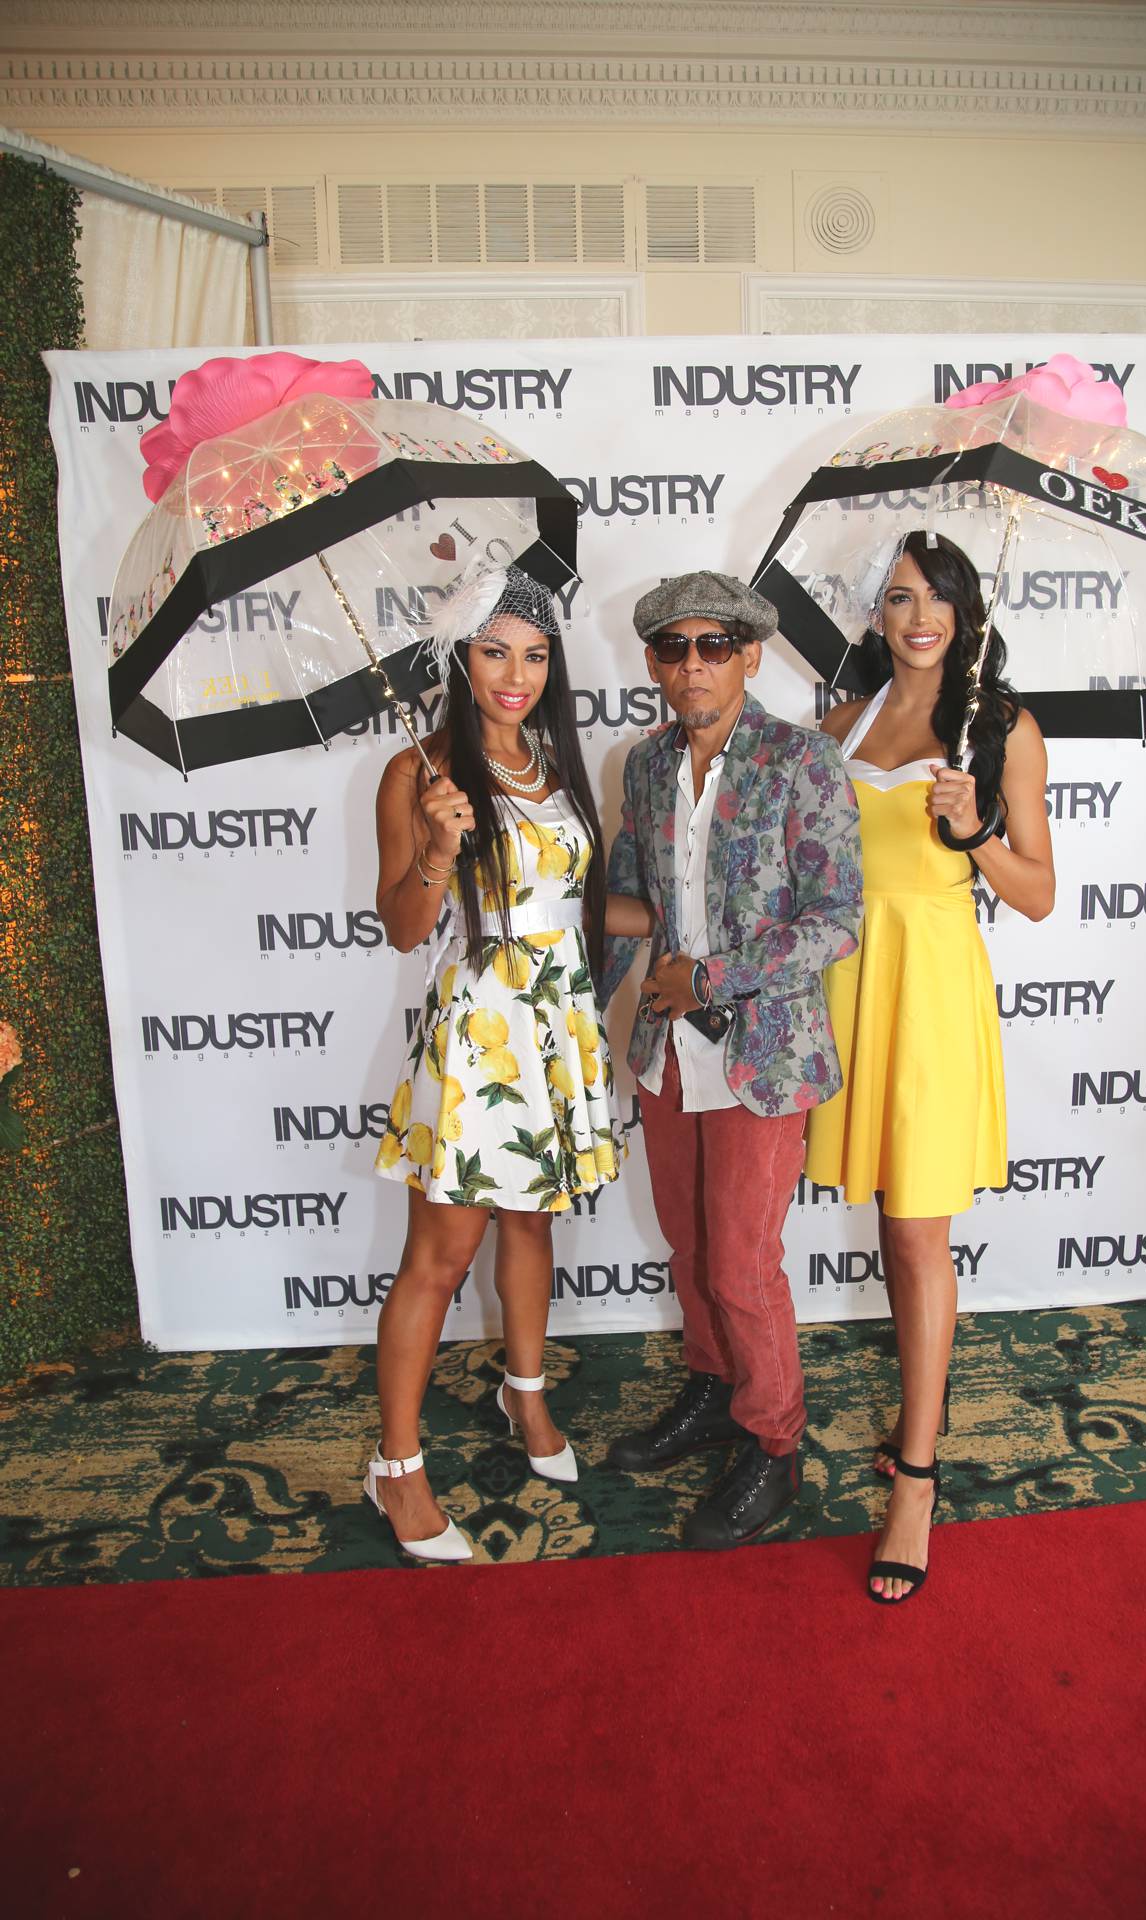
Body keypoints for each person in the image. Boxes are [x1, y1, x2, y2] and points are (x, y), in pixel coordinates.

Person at [367, 563, 643, 1562]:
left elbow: (575, 908)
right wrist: (438, 851)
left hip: (557, 1028)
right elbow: (405, 927)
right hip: (481, 1033)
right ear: (461, 659)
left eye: (533, 656)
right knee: (439, 1259)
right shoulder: (419, 773)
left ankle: (523, 1395)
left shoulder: (556, 763)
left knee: (531, 1222)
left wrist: (676, 924)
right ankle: (396, 1467)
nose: (516, 676)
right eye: (494, 653)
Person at [806, 530, 1055, 1604]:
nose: (919, 617)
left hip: (933, 991)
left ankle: (915, 1479)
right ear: (876, 613)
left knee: (916, 1233)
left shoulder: (1002, 728)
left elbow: (1037, 893)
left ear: (965, 612)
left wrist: (976, 833)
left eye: (938, 597)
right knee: (885, 1217)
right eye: (901, 597)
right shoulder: (838, 724)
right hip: (848, 987)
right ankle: (918, 1411)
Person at [601, 570, 862, 1549]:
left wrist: (711, 977)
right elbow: (629, 899)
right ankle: (713, 1391)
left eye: (714, 645)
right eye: (673, 647)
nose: (693, 665)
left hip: (764, 1052)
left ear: (750, 655)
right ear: (653, 662)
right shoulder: (641, 765)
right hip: (668, 1051)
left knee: (744, 1263)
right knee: (690, 1246)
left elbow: (836, 921)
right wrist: (568, 993)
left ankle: (773, 1442)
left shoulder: (802, 761)